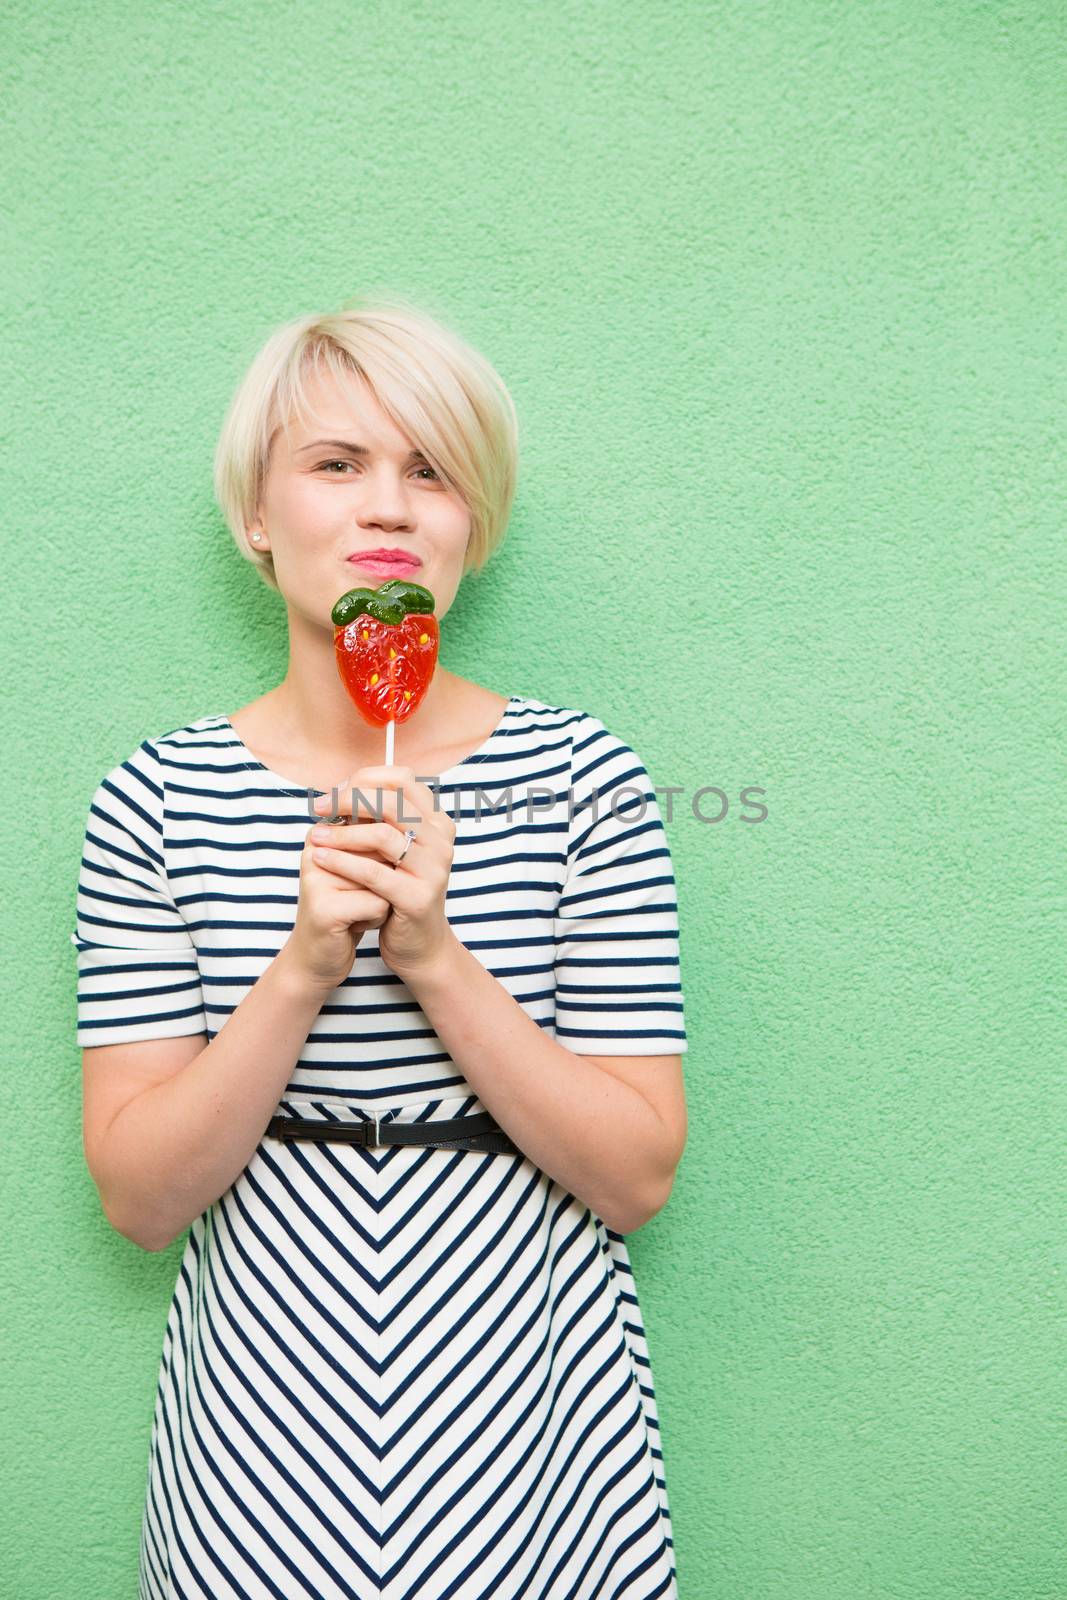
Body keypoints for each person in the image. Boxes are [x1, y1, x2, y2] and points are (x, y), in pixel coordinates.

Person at [70, 295, 690, 1599]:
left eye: (432, 473)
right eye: (336, 464)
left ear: (476, 527)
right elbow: (138, 1199)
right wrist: (300, 970)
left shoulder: (586, 780)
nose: (388, 509)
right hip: (260, 1417)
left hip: (531, 1408)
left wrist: (437, 959)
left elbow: (636, 1176)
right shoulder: (155, 798)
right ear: (258, 514)